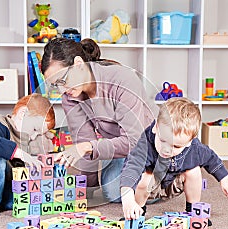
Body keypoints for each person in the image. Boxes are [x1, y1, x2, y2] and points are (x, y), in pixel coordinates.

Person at [41, 38, 155, 203]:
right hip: (120, 146)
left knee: (115, 190)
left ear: (79, 64)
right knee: (111, 187)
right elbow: (84, 141)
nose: (61, 90)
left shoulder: (123, 79)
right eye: (55, 85)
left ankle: (175, 173)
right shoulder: (70, 95)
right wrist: (85, 191)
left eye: (62, 80)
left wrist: (88, 147)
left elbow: (134, 141)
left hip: (149, 145)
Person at [120, 97, 228, 223]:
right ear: (156, 128)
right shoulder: (145, 144)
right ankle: (137, 213)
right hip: (150, 188)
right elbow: (131, 168)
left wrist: (224, 179)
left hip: (174, 184)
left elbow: (211, 158)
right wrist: (128, 200)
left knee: (194, 171)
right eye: (163, 141)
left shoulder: (195, 148)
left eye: (176, 146)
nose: (167, 150)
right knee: (144, 177)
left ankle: (193, 211)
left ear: (189, 142)